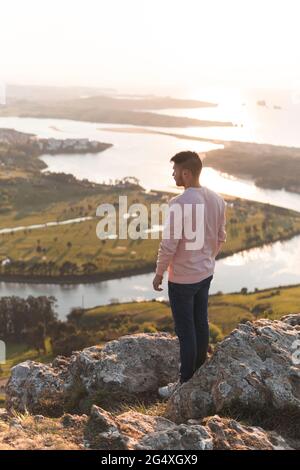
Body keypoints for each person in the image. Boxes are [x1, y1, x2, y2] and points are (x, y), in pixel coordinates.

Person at [152, 151, 226, 399]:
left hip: (183, 278)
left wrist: (159, 273)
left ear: (186, 173)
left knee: (186, 331)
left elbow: (169, 244)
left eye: (175, 171)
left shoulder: (179, 204)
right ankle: (200, 372)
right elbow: (220, 237)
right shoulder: (217, 199)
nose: (172, 174)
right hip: (205, 273)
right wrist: (207, 258)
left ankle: (185, 383)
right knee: (200, 322)